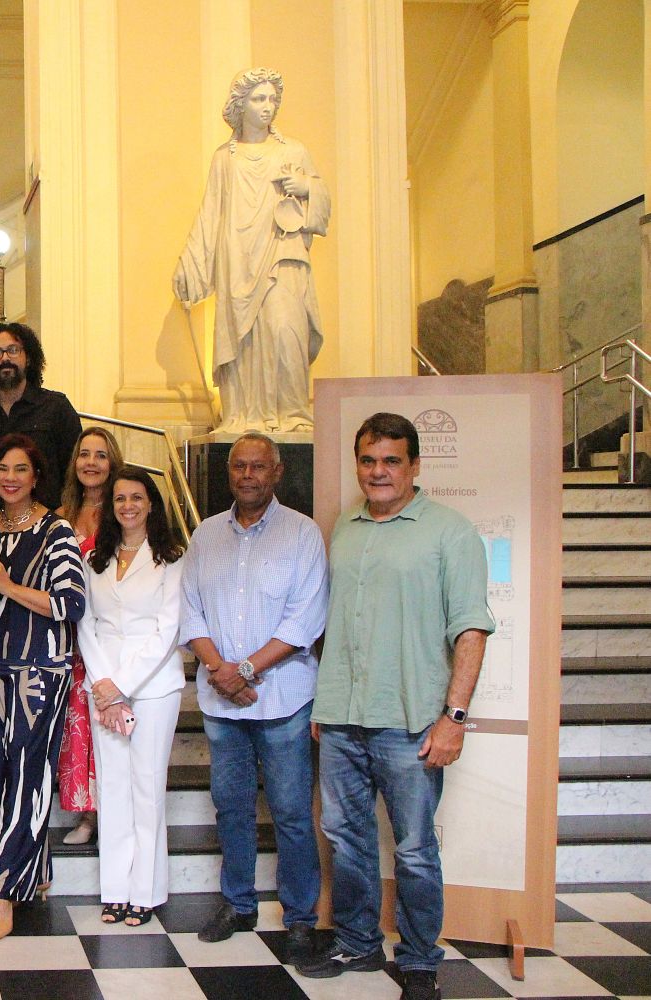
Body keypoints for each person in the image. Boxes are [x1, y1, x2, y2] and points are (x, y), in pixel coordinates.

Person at [298, 413, 494, 1000]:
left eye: (391, 460)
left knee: (413, 849)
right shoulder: (346, 526)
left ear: (414, 466)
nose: (378, 471)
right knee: (346, 838)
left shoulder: (450, 532)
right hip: (341, 718)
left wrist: (454, 718)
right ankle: (358, 943)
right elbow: (337, 623)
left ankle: (418, 960)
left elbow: (471, 630)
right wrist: (325, 704)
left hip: (411, 724)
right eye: (368, 460)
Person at [180, 433, 328, 961]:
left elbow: (305, 621)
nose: (248, 475)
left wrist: (242, 671)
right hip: (223, 706)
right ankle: (238, 904)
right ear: (229, 473)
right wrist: (221, 672)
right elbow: (189, 611)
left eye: (258, 466)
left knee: (291, 812)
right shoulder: (205, 535)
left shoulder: (303, 534)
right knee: (232, 807)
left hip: (284, 701)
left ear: (277, 472)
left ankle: (301, 917)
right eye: (239, 466)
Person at [0, 434, 87, 940]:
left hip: (40, 669)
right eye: (3, 468)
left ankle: (3, 889)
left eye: (21, 469)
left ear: (36, 476)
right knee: (4, 774)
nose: (10, 478)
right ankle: (34, 868)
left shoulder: (56, 531)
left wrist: (7, 586)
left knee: (25, 772)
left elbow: (70, 604)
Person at [173, 67, 330, 433]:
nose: (267, 106)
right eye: (259, 99)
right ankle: (244, 416)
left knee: (287, 331)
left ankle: (292, 414)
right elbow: (210, 214)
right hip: (237, 262)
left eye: (272, 99)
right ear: (241, 105)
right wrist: (190, 265)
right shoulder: (225, 158)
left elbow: (321, 200)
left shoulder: (293, 151)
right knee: (243, 345)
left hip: (283, 255)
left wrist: (306, 186)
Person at [76, 468, 185, 927]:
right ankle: (116, 890)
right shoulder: (94, 559)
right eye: (120, 498)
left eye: (136, 497)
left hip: (153, 687)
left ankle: (146, 891)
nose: (127, 506)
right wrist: (105, 685)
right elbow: (86, 623)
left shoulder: (172, 557)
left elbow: (168, 629)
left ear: (151, 503)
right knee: (113, 788)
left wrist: (123, 685)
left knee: (146, 786)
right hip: (103, 687)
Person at [56, 427, 124, 846]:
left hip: (110, 636)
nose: (92, 462)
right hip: (70, 638)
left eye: (101, 455)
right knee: (78, 728)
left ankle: (113, 813)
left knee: (107, 726)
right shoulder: (61, 515)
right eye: (85, 454)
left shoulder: (123, 512)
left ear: (112, 462)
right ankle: (87, 815)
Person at [0, 322, 81, 525]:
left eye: (13, 350)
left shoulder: (56, 408)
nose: (5, 358)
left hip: (45, 526)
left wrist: (61, 514)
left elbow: (73, 469)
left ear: (28, 358)